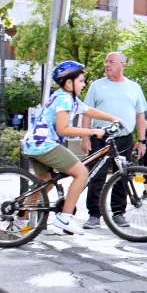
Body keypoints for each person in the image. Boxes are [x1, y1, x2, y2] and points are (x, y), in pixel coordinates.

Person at [22, 61, 121, 234]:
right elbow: (63, 129)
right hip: (44, 144)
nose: (84, 84)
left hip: (34, 144)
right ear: (69, 83)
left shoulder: (68, 98)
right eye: (81, 81)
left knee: (45, 182)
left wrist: (113, 118)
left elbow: (88, 110)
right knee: (81, 172)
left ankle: (19, 215)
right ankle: (65, 217)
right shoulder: (64, 99)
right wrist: (93, 131)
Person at [81, 52, 147, 230]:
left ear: (122, 64)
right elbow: (87, 112)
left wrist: (142, 141)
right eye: (106, 61)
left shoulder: (134, 87)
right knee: (96, 175)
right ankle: (94, 215)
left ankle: (118, 213)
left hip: (124, 139)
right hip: (100, 137)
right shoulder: (97, 86)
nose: (107, 64)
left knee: (122, 176)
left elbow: (140, 115)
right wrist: (85, 137)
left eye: (111, 61)